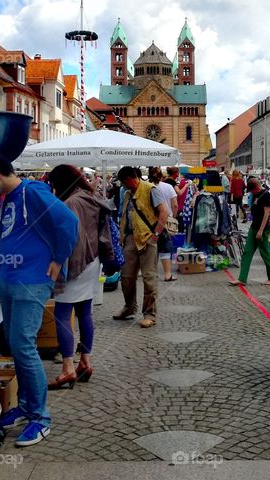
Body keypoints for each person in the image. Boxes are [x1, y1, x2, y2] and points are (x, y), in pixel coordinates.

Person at [0, 153, 78, 447]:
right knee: (15, 345)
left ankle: (40, 418)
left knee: (23, 345)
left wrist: (59, 261)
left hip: (31, 281)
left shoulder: (31, 192)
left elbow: (68, 222)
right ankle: (25, 407)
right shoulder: (9, 197)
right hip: (10, 281)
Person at [47, 165, 112, 389]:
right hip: (92, 261)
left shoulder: (71, 203)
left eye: (54, 185)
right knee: (84, 311)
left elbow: (67, 238)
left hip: (75, 262)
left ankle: (67, 369)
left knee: (62, 314)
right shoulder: (89, 196)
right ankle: (85, 361)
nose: (53, 190)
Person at [114, 166, 168, 328]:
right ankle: (129, 307)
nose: (123, 186)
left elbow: (163, 213)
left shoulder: (150, 190)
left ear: (130, 178)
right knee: (126, 276)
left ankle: (150, 314)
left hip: (147, 238)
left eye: (124, 183)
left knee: (149, 278)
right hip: (130, 238)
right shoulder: (128, 193)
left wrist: (155, 235)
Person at [229, 177, 270, 287]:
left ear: (256, 187)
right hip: (254, 226)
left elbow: (266, 214)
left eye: (252, 190)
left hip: (262, 229)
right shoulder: (256, 194)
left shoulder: (266, 195)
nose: (251, 193)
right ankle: (242, 278)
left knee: (265, 253)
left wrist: (260, 231)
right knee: (247, 252)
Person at [149, 167, 178, 282]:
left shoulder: (146, 187)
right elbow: (175, 205)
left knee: (152, 246)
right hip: (166, 220)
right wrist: (173, 217)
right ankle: (167, 274)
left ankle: (153, 273)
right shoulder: (168, 187)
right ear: (162, 176)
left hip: (150, 221)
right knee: (165, 247)